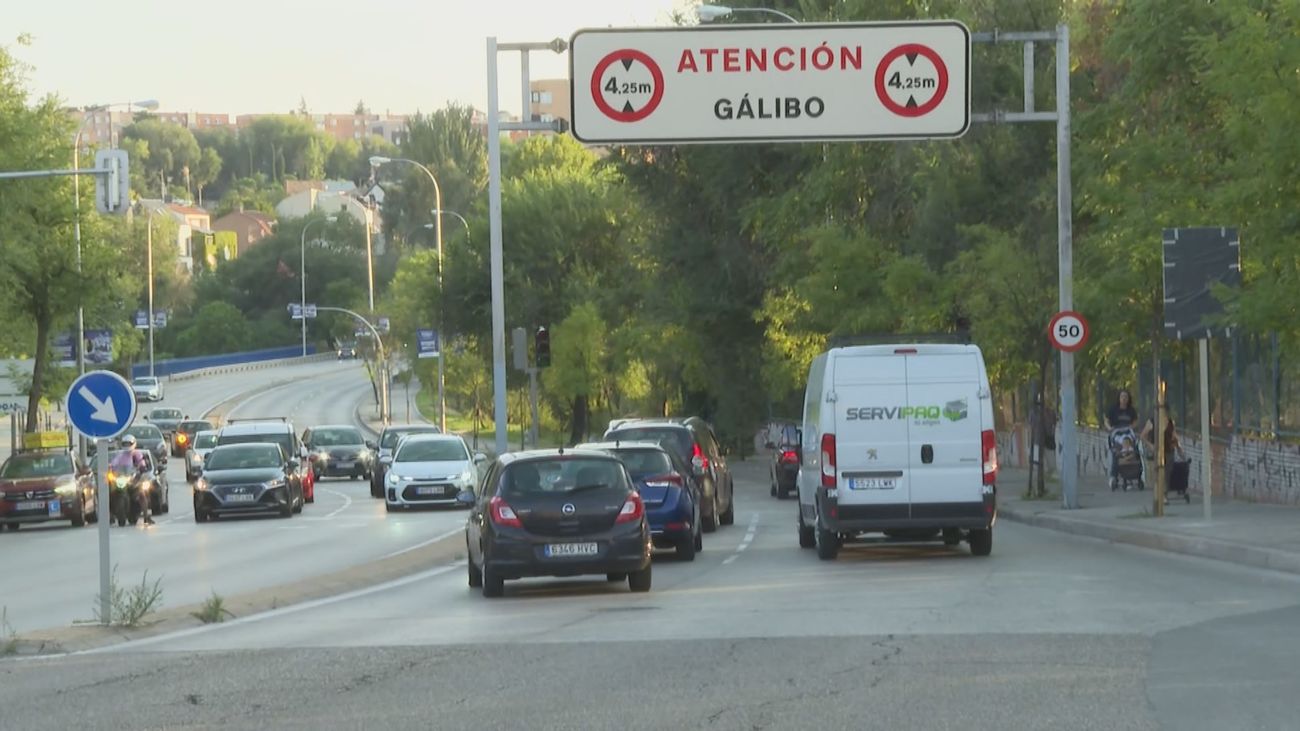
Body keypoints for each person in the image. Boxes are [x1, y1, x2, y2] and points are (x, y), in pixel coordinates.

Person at [110, 435, 154, 526]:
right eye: (125, 443)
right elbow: (114, 463)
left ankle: (146, 516)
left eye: (128, 443)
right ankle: (110, 515)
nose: (126, 445)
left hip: (133, 480)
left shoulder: (136, 454)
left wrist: (142, 467)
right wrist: (110, 468)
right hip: (122, 480)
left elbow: (141, 463)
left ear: (133, 444)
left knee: (141, 494)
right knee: (110, 493)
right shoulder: (120, 455)